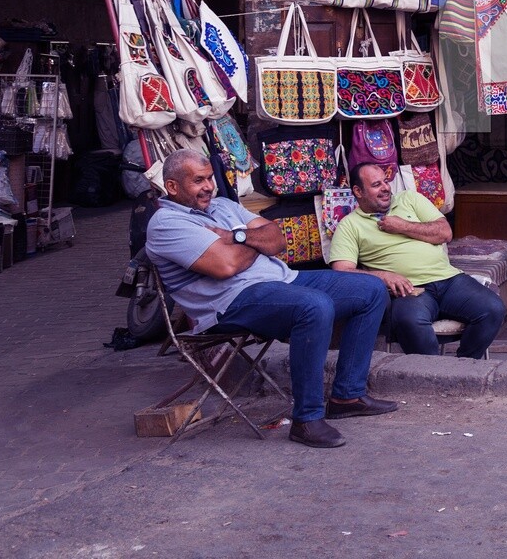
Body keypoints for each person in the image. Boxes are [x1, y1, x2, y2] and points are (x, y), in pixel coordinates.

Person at [145, 149, 396, 449]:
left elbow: (278, 238)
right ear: (172, 187)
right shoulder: (166, 223)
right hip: (231, 302)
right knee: (314, 306)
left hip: (283, 280)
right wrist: (253, 240)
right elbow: (226, 266)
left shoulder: (223, 205)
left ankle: (348, 396)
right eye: (198, 181)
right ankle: (307, 419)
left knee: (370, 289)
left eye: (210, 178)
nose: (209, 187)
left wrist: (235, 237)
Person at [330, 163, 505, 358]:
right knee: (408, 321)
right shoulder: (350, 225)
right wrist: (384, 276)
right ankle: (432, 375)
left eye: (386, 181)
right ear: (358, 191)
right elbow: (342, 271)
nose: (386, 188)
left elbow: (445, 233)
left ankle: (462, 367)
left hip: (449, 280)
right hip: (410, 290)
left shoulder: (409, 199)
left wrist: (403, 225)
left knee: (493, 308)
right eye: (376, 184)